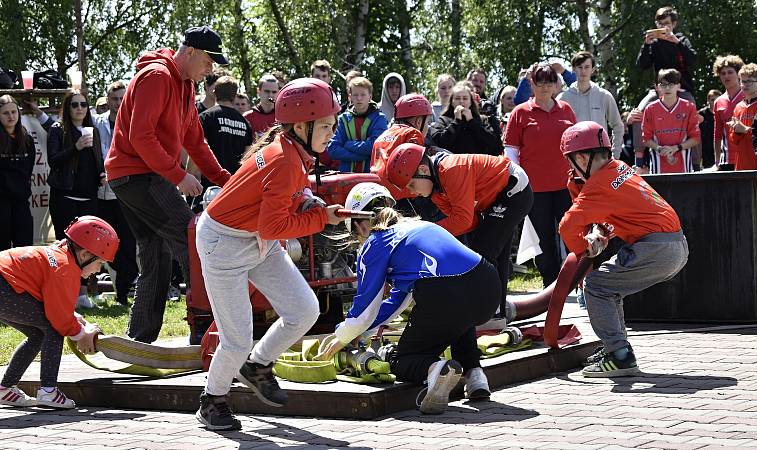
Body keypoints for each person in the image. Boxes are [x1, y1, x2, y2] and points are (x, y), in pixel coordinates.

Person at [195, 78, 345, 430]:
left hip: (253, 238)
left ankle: (257, 365)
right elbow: (273, 228)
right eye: (325, 126)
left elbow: (277, 207)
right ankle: (211, 401)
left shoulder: (292, 150)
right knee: (236, 339)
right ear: (301, 126)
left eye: (333, 125)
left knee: (304, 309)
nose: (331, 133)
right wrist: (321, 217)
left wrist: (308, 203)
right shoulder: (285, 159)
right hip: (225, 244)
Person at [318, 183, 501, 414]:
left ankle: (436, 369)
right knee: (459, 320)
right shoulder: (417, 225)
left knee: (403, 360)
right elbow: (396, 301)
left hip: (448, 293)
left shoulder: (375, 242)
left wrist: (342, 336)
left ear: (359, 224)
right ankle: (476, 377)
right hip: (488, 284)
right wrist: (358, 331)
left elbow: (365, 310)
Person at [105, 26, 232, 343]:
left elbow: (197, 144)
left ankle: (139, 341)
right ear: (190, 52)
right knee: (193, 241)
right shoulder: (158, 76)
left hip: (136, 177)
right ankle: (205, 331)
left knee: (155, 255)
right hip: (138, 175)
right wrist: (179, 175)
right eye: (208, 62)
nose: (210, 70)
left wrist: (228, 182)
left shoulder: (186, 86)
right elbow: (140, 136)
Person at [558, 121, 688, 377]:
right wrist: (600, 232)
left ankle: (620, 356)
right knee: (609, 288)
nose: (571, 169)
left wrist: (585, 252)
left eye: (570, 161)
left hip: (655, 249)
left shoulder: (598, 184)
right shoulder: (620, 169)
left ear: (582, 158)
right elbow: (625, 214)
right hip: (675, 245)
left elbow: (567, 226)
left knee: (596, 286)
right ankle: (614, 348)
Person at [386, 143, 533, 314]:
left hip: (514, 191)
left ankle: (487, 312)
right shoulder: (436, 191)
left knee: (483, 254)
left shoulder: (451, 169)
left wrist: (425, 233)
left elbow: (463, 220)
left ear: (424, 170)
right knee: (486, 252)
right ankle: (494, 311)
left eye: (411, 184)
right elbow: (469, 223)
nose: (412, 192)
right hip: (497, 198)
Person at [0, 216, 117, 408]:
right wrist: (82, 335)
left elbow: (55, 304)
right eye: (100, 263)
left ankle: (5, 389)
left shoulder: (62, 255)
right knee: (54, 329)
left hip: (6, 286)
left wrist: (76, 322)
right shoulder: (65, 268)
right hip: (5, 287)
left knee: (38, 333)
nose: (97, 270)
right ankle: (48, 392)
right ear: (85, 254)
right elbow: (59, 318)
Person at [503, 64, 576, 286]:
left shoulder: (566, 109)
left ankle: (580, 282)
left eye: (549, 82)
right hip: (535, 188)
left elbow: (576, 146)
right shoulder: (520, 112)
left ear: (556, 85)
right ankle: (550, 285)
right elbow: (511, 150)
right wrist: (518, 179)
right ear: (532, 84)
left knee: (573, 232)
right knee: (543, 238)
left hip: (566, 185)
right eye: (540, 82)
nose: (544, 87)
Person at [95, 81, 138, 305]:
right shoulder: (96, 122)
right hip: (102, 193)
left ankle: (124, 292)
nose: (119, 103)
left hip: (127, 193)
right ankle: (99, 288)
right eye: (114, 99)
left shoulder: (134, 121)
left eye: (122, 98)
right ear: (107, 99)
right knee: (103, 244)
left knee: (128, 244)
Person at [47, 89, 104, 241]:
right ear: (67, 107)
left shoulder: (93, 131)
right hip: (65, 198)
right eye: (75, 105)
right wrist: (75, 148)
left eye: (83, 104)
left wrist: (102, 174)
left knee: (87, 245)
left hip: (89, 199)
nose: (80, 108)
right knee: (66, 245)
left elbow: (97, 160)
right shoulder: (57, 129)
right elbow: (53, 161)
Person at [558, 51, 625, 159]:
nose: (583, 71)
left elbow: (618, 125)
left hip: (600, 156)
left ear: (593, 69)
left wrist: (615, 154)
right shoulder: (563, 98)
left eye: (587, 67)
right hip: (574, 157)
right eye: (579, 67)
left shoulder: (604, 95)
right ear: (573, 69)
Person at [371, 93, 432, 201]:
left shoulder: (382, 136)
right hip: (403, 198)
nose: (428, 127)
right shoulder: (412, 133)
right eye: (427, 122)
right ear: (419, 122)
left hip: (379, 195)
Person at [640, 69, 700, 174]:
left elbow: (695, 138)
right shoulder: (650, 109)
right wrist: (659, 149)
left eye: (671, 84)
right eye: (663, 84)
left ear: (678, 86)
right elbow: (646, 139)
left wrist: (676, 148)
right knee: (658, 191)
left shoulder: (689, 107)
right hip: (657, 167)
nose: (667, 88)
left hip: (684, 167)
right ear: (657, 87)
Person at [198, 75, 253, 186]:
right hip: (233, 185)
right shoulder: (246, 124)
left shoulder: (206, 117)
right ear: (234, 96)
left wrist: (191, 175)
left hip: (208, 184)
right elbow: (247, 158)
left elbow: (198, 148)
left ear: (214, 92)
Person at [327, 76, 389, 173]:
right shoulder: (342, 120)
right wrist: (364, 156)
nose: (359, 98)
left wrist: (348, 144)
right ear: (350, 97)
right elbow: (333, 149)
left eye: (363, 94)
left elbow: (376, 147)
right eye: (355, 95)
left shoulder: (379, 118)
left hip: (371, 177)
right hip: (345, 178)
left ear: (370, 96)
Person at [636, 6, 696, 98]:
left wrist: (677, 42)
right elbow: (642, 65)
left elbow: (693, 61)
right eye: (660, 23)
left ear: (674, 24)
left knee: (691, 107)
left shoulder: (681, 40)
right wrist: (646, 45)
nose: (663, 26)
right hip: (659, 90)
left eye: (666, 23)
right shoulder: (653, 43)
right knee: (640, 110)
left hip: (681, 88)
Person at [429, 81, 503, 156]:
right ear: (452, 102)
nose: (461, 101)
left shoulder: (482, 120)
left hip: (478, 164)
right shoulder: (444, 120)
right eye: (457, 98)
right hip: (453, 164)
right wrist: (456, 122)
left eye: (465, 98)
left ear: (470, 102)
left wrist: (472, 122)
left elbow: (493, 144)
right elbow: (440, 142)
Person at [0, 96, 35, 251]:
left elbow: (29, 168)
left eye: (14, 112)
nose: (11, 116)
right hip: (1, 203)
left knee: (24, 248)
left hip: (21, 201)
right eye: (5, 113)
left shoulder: (26, 138)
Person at [727, 64, 757, 171]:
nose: (745, 85)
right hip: (742, 164)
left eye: (749, 81)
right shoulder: (738, 107)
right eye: (743, 81)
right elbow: (733, 140)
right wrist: (737, 131)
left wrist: (745, 130)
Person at [712, 55, 745, 169]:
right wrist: (716, 161)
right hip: (726, 159)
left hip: (748, 156)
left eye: (730, 72)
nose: (726, 76)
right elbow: (717, 134)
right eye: (723, 73)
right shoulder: (718, 102)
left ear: (739, 74)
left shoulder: (749, 96)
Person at [243, 74, 280, 138]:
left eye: (274, 92)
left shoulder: (282, 116)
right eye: (266, 91)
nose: (270, 95)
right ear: (258, 91)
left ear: (278, 93)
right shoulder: (247, 117)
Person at [698, 89, 722, 169]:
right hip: (705, 148)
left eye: (717, 100)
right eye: (712, 100)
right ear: (708, 100)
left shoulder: (722, 113)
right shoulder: (701, 114)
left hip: (719, 146)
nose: (714, 102)